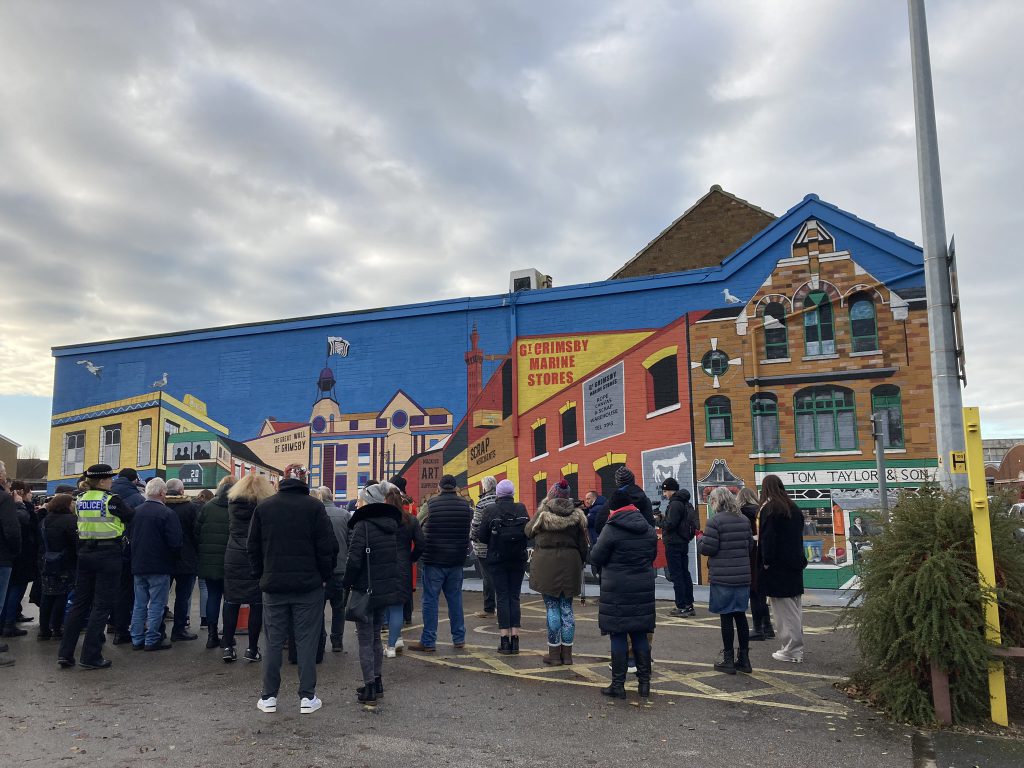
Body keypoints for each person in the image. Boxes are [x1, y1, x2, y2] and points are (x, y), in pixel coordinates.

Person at [248, 464, 337, 715]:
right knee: (306, 641)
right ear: (305, 480)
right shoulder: (315, 507)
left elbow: (252, 547)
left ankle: (269, 697)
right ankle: (307, 697)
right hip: (308, 585)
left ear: (281, 481)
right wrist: (324, 577)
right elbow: (326, 547)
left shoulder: (264, 507)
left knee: (273, 641)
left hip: (273, 584)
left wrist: (260, 575)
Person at [57, 464, 135, 670]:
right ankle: (90, 655)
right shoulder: (112, 500)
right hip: (108, 554)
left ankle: (65, 653)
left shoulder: (80, 499)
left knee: (79, 604)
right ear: (102, 481)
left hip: (85, 553)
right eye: (110, 478)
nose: (112, 481)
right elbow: (130, 516)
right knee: (101, 605)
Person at [589, 489, 657, 700]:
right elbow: (652, 555)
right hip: (642, 587)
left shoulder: (612, 528)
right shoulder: (646, 527)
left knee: (618, 634)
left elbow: (596, 557)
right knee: (639, 633)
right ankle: (644, 684)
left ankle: (618, 685)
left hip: (617, 588)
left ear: (614, 508)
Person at [344, 482, 401, 707]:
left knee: (365, 639)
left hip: (364, 589)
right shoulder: (390, 525)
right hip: (383, 589)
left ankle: (368, 687)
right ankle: (377, 682)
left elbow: (354, 560)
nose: (357, 503)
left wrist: (346, 584)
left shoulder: (363, 526)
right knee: (376, 637)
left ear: (367, 501)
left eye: (359, 500)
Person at [525, 479, 589, 666]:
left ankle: (554, 654)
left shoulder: (543, 514)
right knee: (567, 609)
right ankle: (567, 655)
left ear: (551, 495)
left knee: (552, 607)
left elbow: (528, 532)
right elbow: (583, 546)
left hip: (547, 564)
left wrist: (541, 510)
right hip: (570, 564)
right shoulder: (578, 516)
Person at [408, 475, 472, 653]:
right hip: (456, 560)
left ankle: (428, 641)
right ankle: (459, 638)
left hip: (434, 559)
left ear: (439, 487)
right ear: (455, 487)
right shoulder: (465, 506)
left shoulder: (431, 505)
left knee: (430, 600)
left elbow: (417, 524)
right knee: (455, 600)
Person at [699, 487, 754, 675]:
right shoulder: (744, 520)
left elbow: (708, 549)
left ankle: (728, 659)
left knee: (726, 618)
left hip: (723, 577)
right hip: (742, 576)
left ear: (717, 502)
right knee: (741, 616)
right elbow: (750, 546)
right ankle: (745, 659)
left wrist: (700, 540)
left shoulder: (714, 521)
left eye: (711, 501)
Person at [223, 473, 274, 663]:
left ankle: (228, 646)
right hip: (256, 555)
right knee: (256, 603)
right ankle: (252, 648)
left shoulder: (232, 505)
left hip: (233, 555)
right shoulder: (265, 507)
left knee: (230, 601)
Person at [758, 475, 808, 664]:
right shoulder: (792, 507)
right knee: (794, 608)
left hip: (778, 565)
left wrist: (766, 561)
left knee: (783, 610)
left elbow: (768, 538)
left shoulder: (770, 508)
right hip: (795, 563)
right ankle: (794, 647)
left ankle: (792, 649)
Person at [129, 478, 183, 651]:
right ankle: (152, 639)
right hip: (159, 565)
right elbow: (175, 542)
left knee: (139, 603)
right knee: (157, 604)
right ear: (162, 493)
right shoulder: (167, 514)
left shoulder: (135, 512)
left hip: (138, 563)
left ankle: (136, 638)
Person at [477, 479, 529, 654]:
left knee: (502, 597)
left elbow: (481, 536)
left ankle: (504, 641)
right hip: (518, 559)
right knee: (514, 597)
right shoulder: (521, 508)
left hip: (497, 559)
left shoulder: (491, 509)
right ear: (512, 493)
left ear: (498, 494)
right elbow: (528, 532)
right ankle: (516, 640)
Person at [385, 484, 423, 658]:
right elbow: (421, 544)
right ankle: (397, 638)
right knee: (397, 607)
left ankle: (391, 646)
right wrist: (411, 558)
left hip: (384, 565)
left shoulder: (381, 520)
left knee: (386, 605)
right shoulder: (411, 520)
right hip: (403, 566)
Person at [108, 468, 145, 645]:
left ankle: (112, 623)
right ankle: (122, 629)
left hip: (104, 548)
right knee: (127, 591)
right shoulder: (138, 499)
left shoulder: (107, 494)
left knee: (110, 589)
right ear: (134, 481)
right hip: (128, 548)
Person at [196, 477, 232, 649]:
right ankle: (227, 635)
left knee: (213, 596)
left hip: (209, 560)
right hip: (231, 561)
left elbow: (197, 532)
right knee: (230, 600)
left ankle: (211, 635)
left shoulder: (208, 507)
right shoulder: (236, 507)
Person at [37, 493, 78, 641]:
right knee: (62, 595)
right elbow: (75, 542)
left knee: (47, 595)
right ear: (67, 505)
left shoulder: (45, 520)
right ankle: (57, 627)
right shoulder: (71, 520)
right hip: (65, 562)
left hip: (46, 561)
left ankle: (43, 629)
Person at [164, 478, 200, 642]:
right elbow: (196, 532)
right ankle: (179, 630)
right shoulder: (190, 508)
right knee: (182, 596)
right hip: (187, 556)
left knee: (160, 596)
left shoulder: (161, 505)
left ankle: (158, 630)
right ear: (181, 491)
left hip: (164, 557)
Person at [1, 481, 38, 637]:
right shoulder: (15, 505)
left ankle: (11, 618)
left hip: (15, 554)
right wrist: (21, 505)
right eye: (29, 492)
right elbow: (21, 524)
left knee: (11, 589)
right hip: (18, 555)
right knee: (15, 588)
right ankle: (8, 623)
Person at [658, 478, 699, 618]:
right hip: (683, 542)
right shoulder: (685, 502)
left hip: (673, 543)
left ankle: (681, 606)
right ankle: (689, 604)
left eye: (665, 491)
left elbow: (670, 525)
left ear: (670, 490)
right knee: (684, 573)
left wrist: (659, 520)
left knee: (677, 575)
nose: (664, 494)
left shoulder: (675, 504)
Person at [738, 486, 773, 641]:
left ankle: (758, 628)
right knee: (760, 593)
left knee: (753, 593)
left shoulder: (741, 514)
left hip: (750, 556)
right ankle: (768, 627)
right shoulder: (761, 513)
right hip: (762, 555)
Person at [319, 486, 350, 653]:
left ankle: (321, 640)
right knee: (339, 608)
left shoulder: (315, 515)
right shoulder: (344, 515)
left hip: (321, 571)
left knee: (319, 608)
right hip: (340, 568)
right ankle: (337, 641)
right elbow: (351, 541)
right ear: (331, 497)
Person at [389, 476, 418, 624]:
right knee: (408, 583)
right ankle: (407, 615)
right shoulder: (411, 503)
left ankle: (390, 620)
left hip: (393, 548)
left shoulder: (389, 502)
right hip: (409, 547)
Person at [0, 462, 21, 666]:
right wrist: (15, 552)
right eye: (4, 473)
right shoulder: (4, 499)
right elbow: (12, 531)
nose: (5, 477)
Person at [595, 466, 655, 534]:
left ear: (617, 482)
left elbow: (599, 526)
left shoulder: (612, 502)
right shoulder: (645, 500)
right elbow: (650, 525)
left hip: (619, 541)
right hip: (642, 542)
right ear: (633, 480)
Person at [469, 476, 497, 620]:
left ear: (485, 488)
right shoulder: (503, 501)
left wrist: (472, 538)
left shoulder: (482, 503)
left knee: (487, 577)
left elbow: (475, 525)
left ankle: (489, 608)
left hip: (483, 546)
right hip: (501, 546)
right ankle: (503, 607)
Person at [194, 488, 214, 628]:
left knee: (186, 590)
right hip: (208, 552)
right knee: (205, 587)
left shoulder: (190, 507)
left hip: (193, 552)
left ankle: (186, 618)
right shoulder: (210, 510)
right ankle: (205, 619)